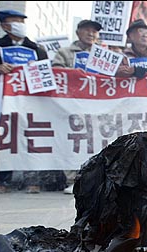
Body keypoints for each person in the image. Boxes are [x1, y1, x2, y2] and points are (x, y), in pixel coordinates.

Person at [0, 9, 49, 194]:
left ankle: (32, 179)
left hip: (32, 102)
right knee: (5, 138)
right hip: (4, 102)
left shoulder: (37, 49)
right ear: (4, 26)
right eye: (14, 21)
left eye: (21, 21)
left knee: (31, 137)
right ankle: (1, 179)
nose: (19, 24)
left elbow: (47, 75)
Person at [52, 19, 102, 194]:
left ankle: (95, 179)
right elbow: (57, 71)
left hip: (98, 106)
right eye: (87, 30)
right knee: (73, 141)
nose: (91, 34)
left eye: (94, 32)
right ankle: (73, 179)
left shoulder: (104, 54)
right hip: (71, 105)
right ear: (78, 32)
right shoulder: (65, 52)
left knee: (95, 141)